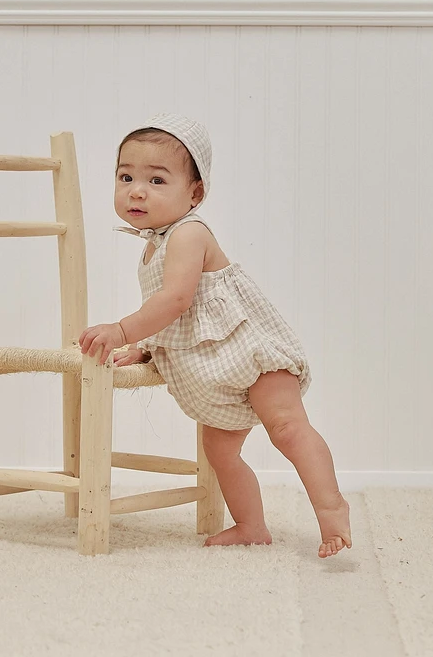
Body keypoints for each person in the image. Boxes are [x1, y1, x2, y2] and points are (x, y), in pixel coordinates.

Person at [78, 113, 352, 558]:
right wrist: (144, 348)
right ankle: (250, 524)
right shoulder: (153, 245)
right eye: (125, 176)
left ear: (195, 193)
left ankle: (331, 506)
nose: (137, 190)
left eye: (157, 179)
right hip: (214, 365)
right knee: (219, 452)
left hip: (250, 351)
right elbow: (175, 315)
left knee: (286, 428)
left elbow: (176, 301)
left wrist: (122, 329)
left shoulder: (188, 234)